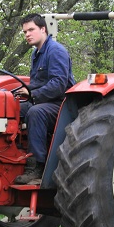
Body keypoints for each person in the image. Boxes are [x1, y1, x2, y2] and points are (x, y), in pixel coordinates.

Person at [13, 13, 76, 184]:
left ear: (43, 29)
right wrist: (21, 90)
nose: (27, 34)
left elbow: (58, 84)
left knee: (35, 113)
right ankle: (10, 156)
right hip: (45, 101)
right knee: (11, 108)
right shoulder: (36, 54)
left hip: (61, 105)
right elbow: (38, 83)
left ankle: (37, 166)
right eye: (25, 31)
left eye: (31, 30)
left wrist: (32, 94)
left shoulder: (55, 51)